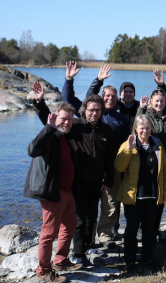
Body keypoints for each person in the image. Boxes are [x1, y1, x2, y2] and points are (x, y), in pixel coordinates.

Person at [32, 83, 116, 266]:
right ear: (84, 110)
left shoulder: (106, 130)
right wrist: (40, 103)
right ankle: (77, 252)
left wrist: (108, 179)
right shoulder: (75, 126)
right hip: (77, 182)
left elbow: (110, 158)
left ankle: (88, 245)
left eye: (98, 110)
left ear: (101, 111)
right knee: (77, 220)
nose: (94, 113)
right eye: (91, 110)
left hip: (96, 181)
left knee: (92, 216)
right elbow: (52, 121)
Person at [62, 62, 129, 249]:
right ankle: (84, 244)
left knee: (109, 206)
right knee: (84, 212)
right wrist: (92, 80)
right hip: (83, 173)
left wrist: (115, 171)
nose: (110, 99)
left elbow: (121, 146)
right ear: (100, 98)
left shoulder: (118, 120)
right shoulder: (82, 119)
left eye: (114, 97)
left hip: (108, 169)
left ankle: (105, 237)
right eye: (107, 96)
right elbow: (68, 99)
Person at [24, 102, 82, 283]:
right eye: (63, 119)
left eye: (70, 120)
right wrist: (48, 127)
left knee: (70, 225)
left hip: (67, 191)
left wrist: (40, 104)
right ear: (56, 118)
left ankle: (61, 260)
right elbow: (32, 150)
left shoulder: (64, 136)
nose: (67, 123)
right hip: (52, 192)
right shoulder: (50, 135)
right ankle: (43, 270)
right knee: (49, 233)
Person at [114, 115, 166, 273]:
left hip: (153, 195)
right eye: (141, 128)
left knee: (150, 229)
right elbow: (119, 167)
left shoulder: (158, 145)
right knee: (131, 230)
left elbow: (165, 169)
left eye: (147, 128)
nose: (145, 131)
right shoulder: (128, 144)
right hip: (134, 197)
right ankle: (130, 262)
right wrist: (128, 150)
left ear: (151, 128)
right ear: (136, 129)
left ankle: (148, 258)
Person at [138, 89, 166, 241]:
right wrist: (141, 108)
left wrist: (162, 84)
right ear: (151, 101)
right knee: (148, 196)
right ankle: (144, 229)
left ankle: (155, 228)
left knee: (161, 197)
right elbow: (137, 126)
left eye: (162, 101)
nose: (159, 103)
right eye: (157, 101)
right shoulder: (147, 115)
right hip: (151, 160)